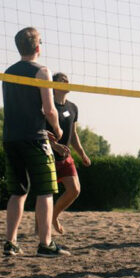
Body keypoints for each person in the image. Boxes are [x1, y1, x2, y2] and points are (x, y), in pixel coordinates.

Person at [1, 27, 67, 257]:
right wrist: (57, 128)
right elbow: (49, 109)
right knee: (45, 191)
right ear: (38, 47)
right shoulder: (42, 71)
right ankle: (46, 244)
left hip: (10, 138)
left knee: (18, 192)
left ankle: (11, 243)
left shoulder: (8, 72)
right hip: (34, 137)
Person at [49, 72, 92, 235]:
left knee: (74, 190)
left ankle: (53, 217)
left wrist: (82, 154)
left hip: (65, 157)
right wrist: (54, 145)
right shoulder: (48, 105)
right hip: (48, 155)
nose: (67, 82)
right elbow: (40, 131)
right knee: (45, 194)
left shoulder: (73, 107)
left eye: (67, 79)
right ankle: (42, 225)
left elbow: (73, 134)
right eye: (62, 80)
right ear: (54, 85)